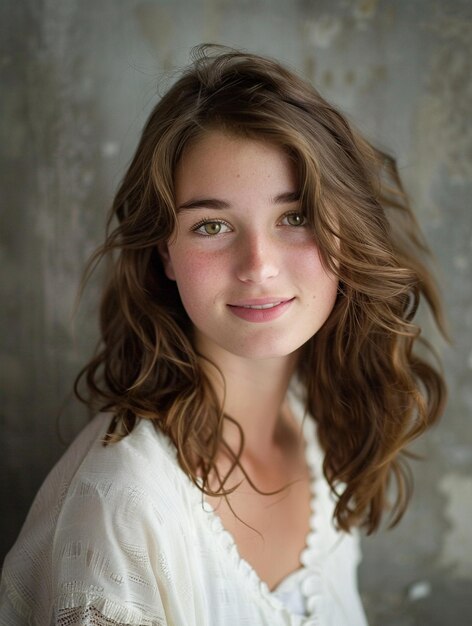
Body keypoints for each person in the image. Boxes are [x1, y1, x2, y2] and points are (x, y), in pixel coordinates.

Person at [0, 44, 446, 626]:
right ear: (165, 251)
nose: (258, 265)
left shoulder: (319, 429)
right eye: (211, 225)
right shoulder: (122, 505)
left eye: (295, 217)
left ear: (347, 229)